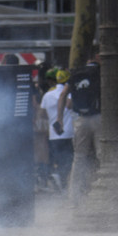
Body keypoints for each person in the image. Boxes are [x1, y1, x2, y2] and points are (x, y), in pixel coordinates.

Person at [57, 51, 101, 206]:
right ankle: (100, 189)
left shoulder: (75, 74)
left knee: (80, 157)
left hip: (81, 120)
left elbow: (63, 95)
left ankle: (74, 196)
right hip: (99, 118)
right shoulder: (101, 72)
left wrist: (59, 119)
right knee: (103, 155)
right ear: (97, 56)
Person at [41, 69, 73, 190]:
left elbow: (42, 114)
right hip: (68, 132)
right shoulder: (69, 94)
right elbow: (71, 106)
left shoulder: (47, 95)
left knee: (57, 158)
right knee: (69, 159)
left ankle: (59, 178)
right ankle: (66, 182)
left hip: (54, 134)